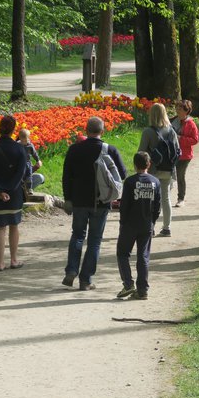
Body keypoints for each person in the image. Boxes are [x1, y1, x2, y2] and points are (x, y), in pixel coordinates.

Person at [61, 116, 127, 291]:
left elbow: (66, 176)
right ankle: (86, 279)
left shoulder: (74, 149)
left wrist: (68, 198)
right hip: (101, 202)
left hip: (79, 201)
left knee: (77, 235)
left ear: (86, 129)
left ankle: (71, 270)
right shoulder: (109, 150)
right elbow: (122, 174)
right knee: (95, 241)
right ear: (102, 132)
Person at [0, 115, 28, 272]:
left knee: (0, 228)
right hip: (14, 193)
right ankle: (14, 260)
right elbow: (20, 173)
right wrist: (9, 190)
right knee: (14, 226)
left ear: (0, 127)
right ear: (14, 129)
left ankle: (0, 263)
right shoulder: (19, 149)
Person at [116, 151, 161, 301]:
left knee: (123, 253)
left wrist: (122, 223)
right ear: (149, 164)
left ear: (134, 165)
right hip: (146, 224)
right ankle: (142, 290)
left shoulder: (129, 182)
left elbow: (124, 206)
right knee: (143, 256)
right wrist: (152, 222)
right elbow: (157, 206)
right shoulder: (155, 182)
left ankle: (128, 283)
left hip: (130, 224)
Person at [137, 103, 180, 237]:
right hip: (168, 169)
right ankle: (167, 228)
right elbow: (178, 150)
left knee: (150, 200)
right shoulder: (171, 130)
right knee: (166, 198)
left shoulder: (148, 132)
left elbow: (141, 152)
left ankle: (151, 227)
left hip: (152, 170)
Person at [170, 100, 199, 208]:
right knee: (169, 175)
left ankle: (181, 198)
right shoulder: (173, 120)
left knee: (180, 176)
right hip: (172, 153)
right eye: (177, 108)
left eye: (180, 109)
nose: (177, 110)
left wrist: (180, 138)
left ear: (186, 111)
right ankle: (165, 196)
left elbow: (195, 140)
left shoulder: (191, 124)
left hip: (184, 155)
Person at [17, 128, 44, 193]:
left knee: (28, 175)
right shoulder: (17, 145)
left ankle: (29, 189)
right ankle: (20, 187)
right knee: (21, 175)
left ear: (29, 138)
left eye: (26, 141)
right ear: (20, 138)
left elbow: (34, 153)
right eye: (23, 141)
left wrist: (38, 160)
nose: (25, 142)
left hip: (27, 162)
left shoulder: (30, 145)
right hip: (19, 163)